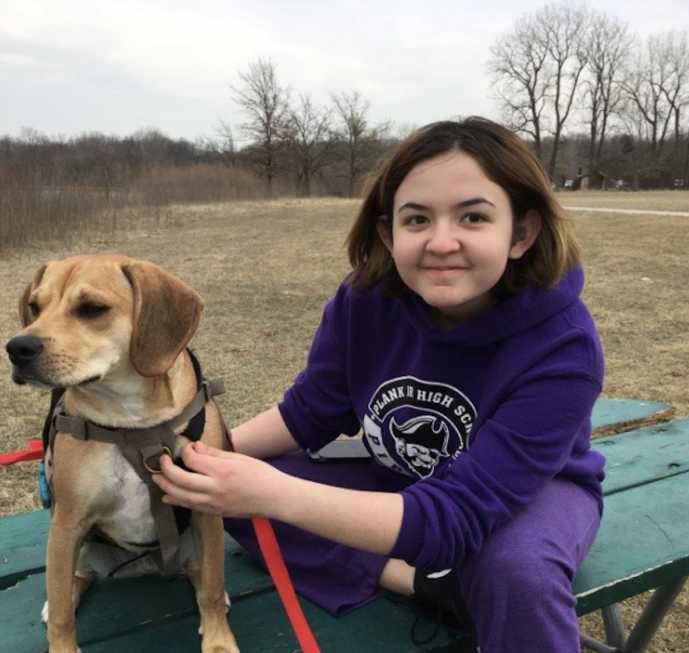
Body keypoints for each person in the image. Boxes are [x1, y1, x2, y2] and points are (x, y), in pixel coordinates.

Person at [153, 116, 605, 653]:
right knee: (238, 499)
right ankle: (422, 582)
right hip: (396, 471)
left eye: (473, 217)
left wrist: (275, 493)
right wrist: (195, 455)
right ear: (389, 234)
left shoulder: (564, 344)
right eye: (417, 220)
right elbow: (312, 412)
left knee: (516, 572)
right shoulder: (364, 301)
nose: (441, 242)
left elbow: (458, 516)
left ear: (521, 234)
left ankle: (446, 579)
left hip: (526, 494)